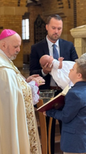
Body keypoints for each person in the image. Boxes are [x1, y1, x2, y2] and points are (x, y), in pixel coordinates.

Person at [0, 29, 45, 154]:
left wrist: (27, 81)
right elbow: (13, 95)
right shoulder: (1, 69)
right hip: (5, 122)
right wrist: (33, 85)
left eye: (19, 46)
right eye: (16, 46)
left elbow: (13, 87)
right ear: (4, 45)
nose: (19, 49)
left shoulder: (1, 60)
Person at [30, 14, 78, 154]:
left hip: (66, 93)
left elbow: (76, 67)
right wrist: (44, 72)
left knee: (67, 127)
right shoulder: (37, 48)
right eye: (53, 28)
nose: (56, 31)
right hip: (47, 92)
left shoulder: (68, 46)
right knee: (47, 129)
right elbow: (33, 71)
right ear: (47, 27)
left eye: (59, 28)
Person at [43, 58, 86, 154]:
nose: (69, 70)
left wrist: (49, 112)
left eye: (72, 69)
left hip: (75, 142)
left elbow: (65, 116)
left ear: (79, 75)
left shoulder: (74, 93)